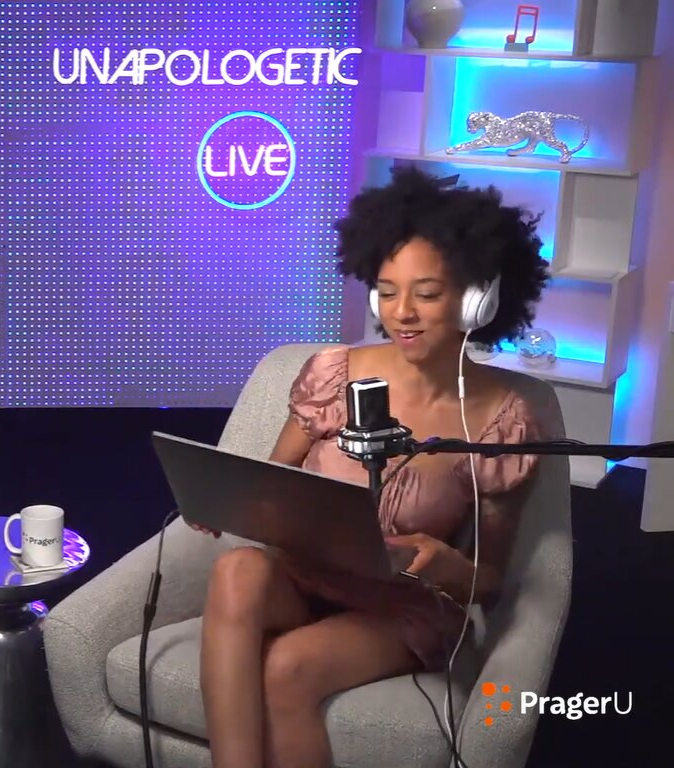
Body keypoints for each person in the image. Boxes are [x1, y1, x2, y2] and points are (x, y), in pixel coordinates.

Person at [195, 165, 553, 768]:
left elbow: (490, 583)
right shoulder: (334, 374)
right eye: (387, 292)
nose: (402, 312)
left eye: (427, 293)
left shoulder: (502, 420)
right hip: (306, 577)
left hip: (401, 605)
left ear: (476, 299)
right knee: (236, 569)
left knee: (287, 667)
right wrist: (226, 500)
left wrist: (447, 563)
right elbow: (270, 486)